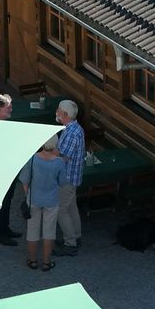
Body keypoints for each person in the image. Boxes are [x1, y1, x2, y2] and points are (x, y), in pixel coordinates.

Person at [19, 138, 65, 271]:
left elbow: (24, 180)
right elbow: (62, 182)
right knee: (49, 232)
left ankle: (33, 260)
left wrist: (28, 195)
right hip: (51, 200)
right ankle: (46, 262)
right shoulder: (59, 162)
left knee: (32, 230)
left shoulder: (33, 159)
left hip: (34, 200)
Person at [0, 95, 24, 246]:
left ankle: (5, 228)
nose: (11, 110)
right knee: (0, 202)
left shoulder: (4, 124)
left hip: (9, 169)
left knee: (8, 200)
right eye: (8, 107)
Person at [52, 100, 86, 256]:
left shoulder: (72, 132)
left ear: (65, 114)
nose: (57, 112)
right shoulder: (74, 129)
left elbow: (63, 156)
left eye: (58, 110)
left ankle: (70, 243)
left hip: (67, 178)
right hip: (72, 177)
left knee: (61, 211)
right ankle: (75, 236)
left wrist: (48, 152)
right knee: (71, 207)